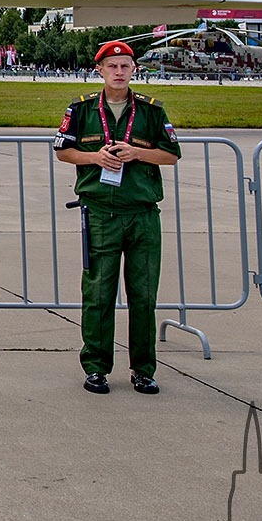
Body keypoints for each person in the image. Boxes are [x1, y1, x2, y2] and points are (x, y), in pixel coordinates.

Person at [54, 40, 182, 396]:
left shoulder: (151, 111)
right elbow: (64, 152)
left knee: (143, 295)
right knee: (98, 293)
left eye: (125, 66)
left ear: (133, 70)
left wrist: (136, 153)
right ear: (100, 71)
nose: (119, 72)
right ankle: (96, 368)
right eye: (112, 67)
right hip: (100, 214)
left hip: (141, 215)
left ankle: (143, 369)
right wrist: (95, 158)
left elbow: (171, 155)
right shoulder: (80, 110)